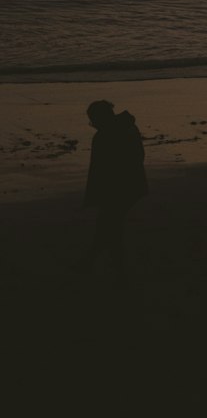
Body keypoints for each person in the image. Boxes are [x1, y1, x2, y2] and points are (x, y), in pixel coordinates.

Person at [82, 100, 147, 284]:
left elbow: (100, 171)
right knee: (108, 226)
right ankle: (91, 262)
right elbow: (138, 157)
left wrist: (95, 196)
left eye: (93, 119)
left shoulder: (105, 136)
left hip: (116, 190)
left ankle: (117, 270)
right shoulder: (129, 128)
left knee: (109, 228)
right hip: (132, 186)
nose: (92, 124)